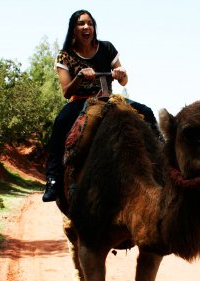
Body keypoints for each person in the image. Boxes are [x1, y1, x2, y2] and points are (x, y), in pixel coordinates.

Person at [42, 9, 160, 202]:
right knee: (61, 123)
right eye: (81, 24)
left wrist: (121, 73)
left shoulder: (107, 48)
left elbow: (124, 82)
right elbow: (66, 92)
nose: (86, 27)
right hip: (80, 100)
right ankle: (53, 179)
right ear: (73, 29)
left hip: (108, 98)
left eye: (90, 23)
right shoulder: (65, 56)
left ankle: (163, 161)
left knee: (146, 112)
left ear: (94, 27)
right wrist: (80, 77)